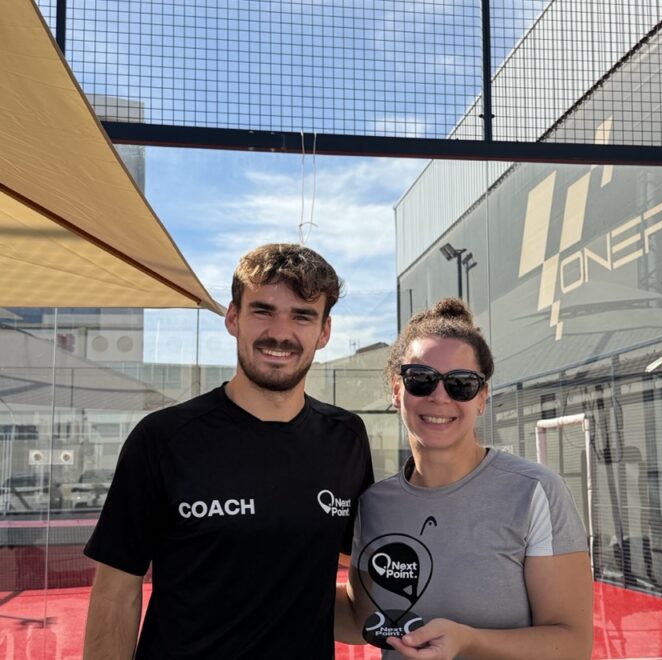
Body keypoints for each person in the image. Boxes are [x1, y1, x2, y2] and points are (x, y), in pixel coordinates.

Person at [83, 243, 374, 659]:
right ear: (233, 318)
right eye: (263, 311)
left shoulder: (346, 438)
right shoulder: (163, 439)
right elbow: (116, 594)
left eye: (302, 315)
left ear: (324, 332)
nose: (280, 333)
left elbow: (357, 566)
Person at [336, 298, 593, 659]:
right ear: (397, 389)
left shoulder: (534, 492)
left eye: (461, 384)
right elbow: (359, 618)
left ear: (482, 397)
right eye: (421, 379)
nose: (440, 397)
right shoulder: (374, 503)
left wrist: (469, 640)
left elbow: (573, 644)